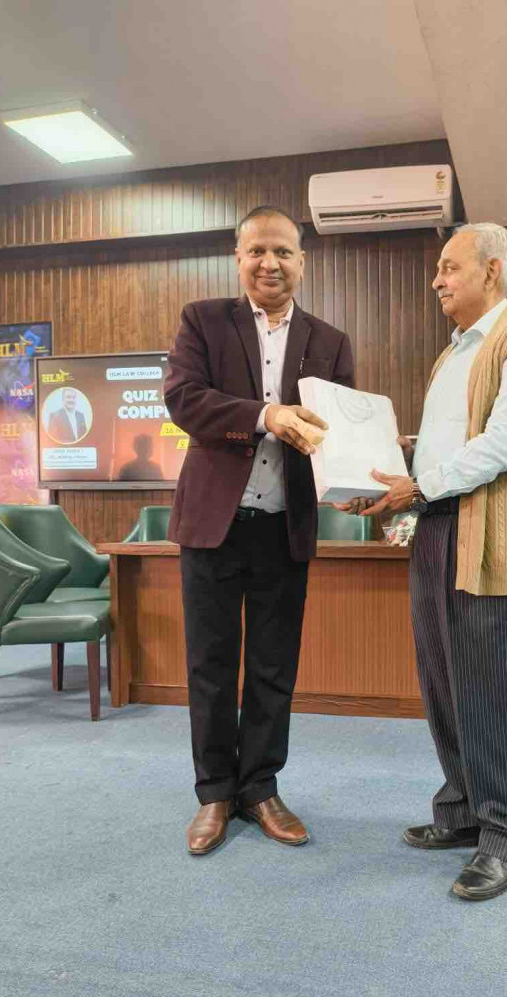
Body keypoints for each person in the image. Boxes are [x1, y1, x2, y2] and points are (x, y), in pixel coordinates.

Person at [350, 223, 507, 902]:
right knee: (444, 682)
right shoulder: (452, 354)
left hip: (490, 538)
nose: (437, 280)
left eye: (450, 267)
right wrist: (388, 467)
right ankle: (463, 810)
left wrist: (415, 484)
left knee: (490, 692)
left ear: (492, 271)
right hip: (435, 529)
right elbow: (448, 444)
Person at [164, 205, 354, 856]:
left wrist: (356, 477)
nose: (269, 263)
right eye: (257, 251)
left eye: (283, 252)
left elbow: (338, 431)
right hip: (212, 525)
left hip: (283, 527)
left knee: (274, 666)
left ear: (302, 262)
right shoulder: (203, 321)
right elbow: (184, 399)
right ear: (238, 258)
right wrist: (267, 416)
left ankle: (261, 788)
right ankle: (215, 793)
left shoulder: (330, 342)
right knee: (211, 665)